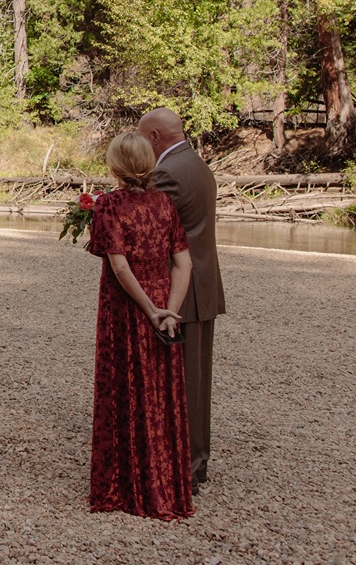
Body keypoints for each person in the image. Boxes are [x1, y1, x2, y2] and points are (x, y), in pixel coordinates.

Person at [86, 131, 194, 520]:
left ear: (115, 166)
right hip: (163, 302)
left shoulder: (109, 204)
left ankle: (123, 487)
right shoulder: (165, 204)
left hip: (126, 308)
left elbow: (119, 267)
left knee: (124, 388)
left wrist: (150, 310)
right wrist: (170, 311)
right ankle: (165, 486)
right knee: (160, 393)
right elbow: (184, 262)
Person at [138, 106, 224, 485]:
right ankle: (195, 461)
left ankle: (181, 467)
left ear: (155, 137)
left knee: (181, 381)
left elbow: (145, 226)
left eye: (141, 138)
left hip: (182, 289)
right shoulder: (198, 164)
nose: (140, 145)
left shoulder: (167, 173)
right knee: (197, 381)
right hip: (203, 286)